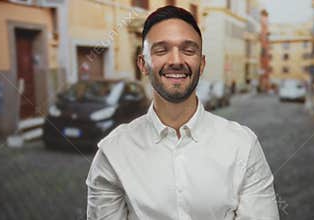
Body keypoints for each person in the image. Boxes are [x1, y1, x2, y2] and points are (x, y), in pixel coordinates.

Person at [86, 6, 279, 220]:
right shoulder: (113, 152)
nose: (176, 61)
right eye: (161, 50)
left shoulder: (243, 146)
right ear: (143, 64)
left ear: (202, 63)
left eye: (188, 50)